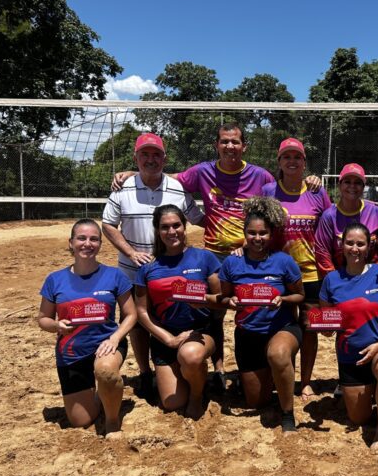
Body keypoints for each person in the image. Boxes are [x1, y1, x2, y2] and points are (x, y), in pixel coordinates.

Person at [111, 124, 321, 384]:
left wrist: (312, 179)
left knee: (268, 309)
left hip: (250, 254)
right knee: (214, 313)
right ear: (217, 145)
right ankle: (219, 369)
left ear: (244, 146)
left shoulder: (261, 176)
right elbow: (169, 177)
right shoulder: (203, 171)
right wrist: (136, 172)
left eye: (235, 142)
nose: (230, 146)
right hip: (213, 255)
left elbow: (285, 187)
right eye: (224, 142)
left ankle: (279, 367)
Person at [102, 133, 204, 398]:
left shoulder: (177, 187)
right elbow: (108, 225)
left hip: (171, 268)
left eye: (156, 154)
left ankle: (177, 362)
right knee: (136, 322)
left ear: (164, 158)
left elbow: (197, 218)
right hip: (133, 268)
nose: (151, 159)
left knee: (171, 315)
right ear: (136, 158)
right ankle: (145, 372)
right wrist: (131, 252)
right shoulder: (121, 188)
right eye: (145, 154)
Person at [38, 219, 137, 435]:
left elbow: (131, 315)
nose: (87, 243)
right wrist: (56, 325)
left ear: (100, 244)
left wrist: (115, 338)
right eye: (81, 238)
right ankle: (98, 393)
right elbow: (43, 319)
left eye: (94, 239)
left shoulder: (114, 275)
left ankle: (112, 420)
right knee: (81, 421)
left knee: (105, 371)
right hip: (71, 353)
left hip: (106, 345)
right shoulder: (55, 280)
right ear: (71, 242)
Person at [218, 197, 305, 432]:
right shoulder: (232, 263)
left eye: (263, 233)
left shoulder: (284, 261)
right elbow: (223, 297)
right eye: (252, 233)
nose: (258, 238)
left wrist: (283, 299)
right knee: (256, 401)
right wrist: (231, 301)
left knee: (277, 354)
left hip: (282, 328)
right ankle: (264, 377)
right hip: (248, 334)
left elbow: (300, 295)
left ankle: (287, 413)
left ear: (271, 234)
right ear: (244, 234)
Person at [134, 205, 223, 420]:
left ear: (185, 226)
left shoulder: (205, 258)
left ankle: (197, 394)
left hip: (199, 333)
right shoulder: (148, 268)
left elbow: (222, 300)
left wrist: (204, 302)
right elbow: (141, 312)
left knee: (190, 356)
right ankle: (188, 376)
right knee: (172, 403)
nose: (172, 231)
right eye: (165, 227)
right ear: (157, 231)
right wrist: (169, 339)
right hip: (165, 339)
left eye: (176, 225)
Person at [319, 222, 378, 450]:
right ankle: (374, 390)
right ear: (341, 244)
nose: (354, 249)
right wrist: (325, 329)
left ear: (369, 247)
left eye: (360, 244)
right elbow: (327, 320)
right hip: (350, 355)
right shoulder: (331, 280)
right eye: (350, 243)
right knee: (358, 419)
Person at [262, 138, 332, 401]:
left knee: (310, 328)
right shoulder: (269, 191)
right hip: (278, 274)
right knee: (279, 324)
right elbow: (258, 228)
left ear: (304, 163)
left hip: (311, 273)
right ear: (279, 162)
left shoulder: (317, 193)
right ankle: (281, 374)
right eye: (286, 157)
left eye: (297, 157)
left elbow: (328, 227)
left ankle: (305, 381)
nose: (292, 161)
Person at [315, 163, 378, 278]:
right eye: (347, 182)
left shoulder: (375, 211)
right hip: (341, 279)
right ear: (339, 185)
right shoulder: (329, 216)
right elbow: (322, 253)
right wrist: (335, 281)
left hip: (371, 278)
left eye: (357, 183)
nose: (352, 186)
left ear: (363, 187)